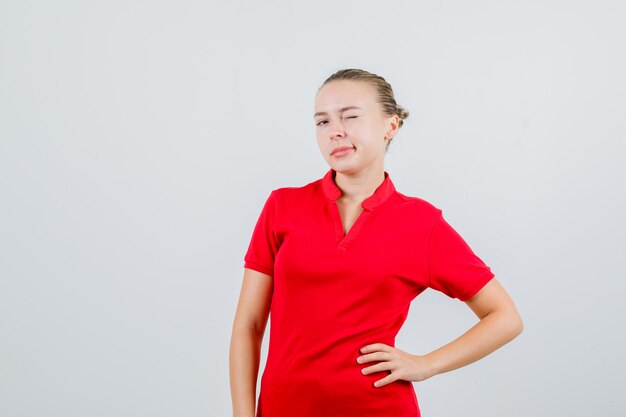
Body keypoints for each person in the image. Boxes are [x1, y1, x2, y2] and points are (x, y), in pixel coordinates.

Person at [229, 68, 523, 417]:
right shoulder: (283, 207)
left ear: (391, 126)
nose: (335, 131)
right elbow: (248, 325)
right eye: (322, 122)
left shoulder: (422, 224)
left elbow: (505, 317)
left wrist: (426, 364)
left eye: (350, 116)